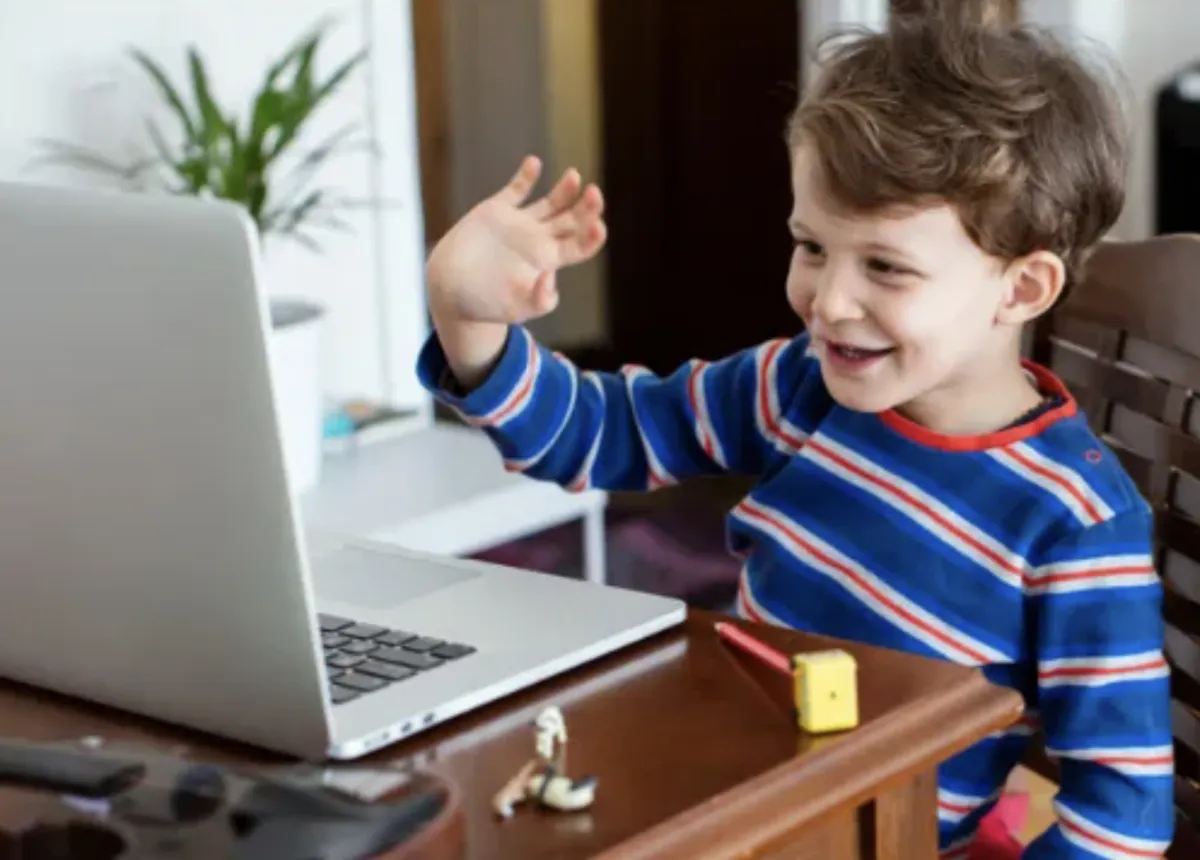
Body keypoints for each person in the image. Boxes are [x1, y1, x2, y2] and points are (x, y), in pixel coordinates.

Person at [415, 13, 1174, 859]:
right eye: (812, 246)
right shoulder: (795, 387)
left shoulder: (1077, 526)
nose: (829, 301)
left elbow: (1121, 812)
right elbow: (598, 434)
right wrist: (470, 322)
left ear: (1023, 287)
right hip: (722, 787)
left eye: (885, 266)